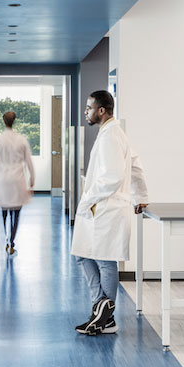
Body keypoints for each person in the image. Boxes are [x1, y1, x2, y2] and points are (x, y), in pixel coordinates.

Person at [71, 91, 148, 336]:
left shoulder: (111, 135)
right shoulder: (113, 132)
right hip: (104, 208)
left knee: (104, 260)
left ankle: (104, 315)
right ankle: (101, 309)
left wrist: (89, 199)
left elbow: (113, 176)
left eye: (89, 107)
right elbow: (135, 165)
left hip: (106, 207)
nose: (86, 112)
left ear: (101, 110)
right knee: (83, 254)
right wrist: (142, 196)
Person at [0, 111, 35, 256]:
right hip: (18, 180)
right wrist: (32, 179)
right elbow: (28, 161)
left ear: (3, 121)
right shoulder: (21, 140)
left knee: (4, 211)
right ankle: (12, 240)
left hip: (2, 180)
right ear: (14, 121)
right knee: (16, 213)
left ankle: (6, 239)